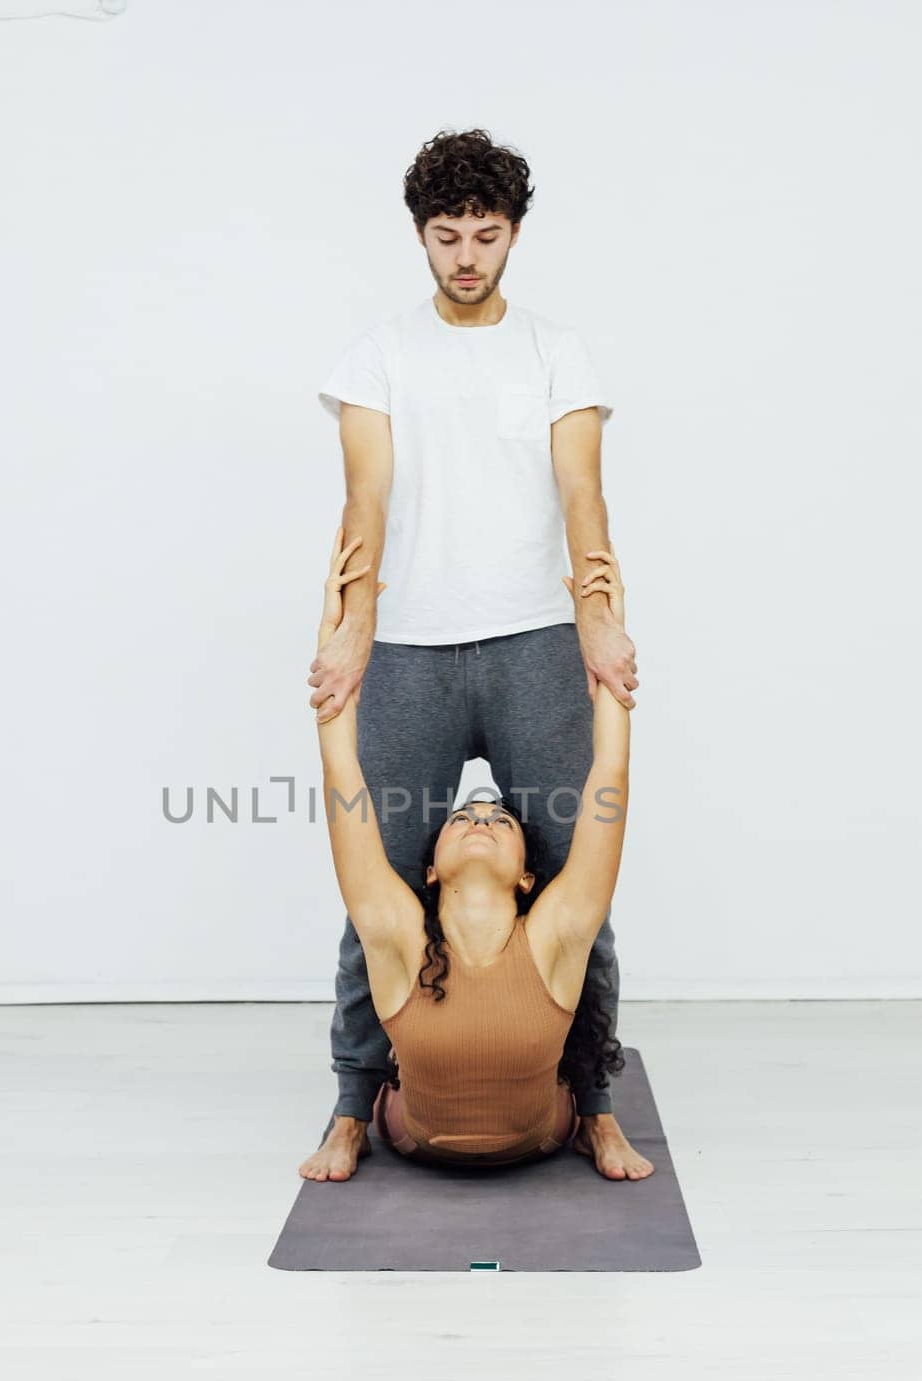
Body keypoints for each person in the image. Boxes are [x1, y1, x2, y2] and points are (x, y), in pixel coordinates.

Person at [300, 126, 652, 1182]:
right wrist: (353, 630)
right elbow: (363, 499)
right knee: (382, 888)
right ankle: (356, 1105)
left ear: (512, 236)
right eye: (446, 235)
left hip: (535, 643)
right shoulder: (379, 355)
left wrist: (597, 615)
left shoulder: (557, 351)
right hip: (409, 649)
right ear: (419, 236)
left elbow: (580, 491)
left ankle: (589, 1101)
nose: (464, 255)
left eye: (484, 235)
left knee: (578, 894)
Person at [299, 526, 652, 1179]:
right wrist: (334, 648)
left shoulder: (557, 929)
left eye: (494, 815)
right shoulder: (396, 931)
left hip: (544, 1131)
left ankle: (596, 1113)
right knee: (366, 931)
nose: (480, 815)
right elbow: (341, 779)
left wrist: (608, 645)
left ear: (527, 875)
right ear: (429, 868)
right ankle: (351, 1113)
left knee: (589, 930)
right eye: (464, 812)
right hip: (413, 1135)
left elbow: (610, 774)